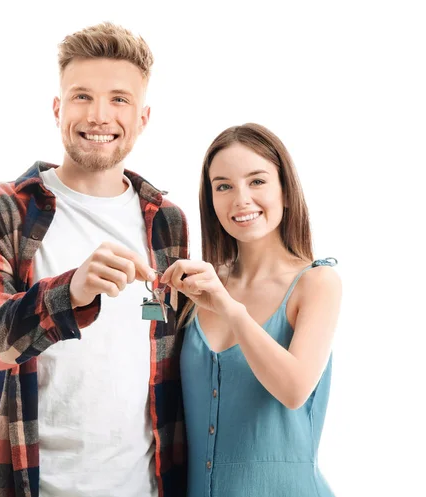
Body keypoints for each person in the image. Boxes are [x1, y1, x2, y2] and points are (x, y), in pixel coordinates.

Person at [0, 22, 188, 497]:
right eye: (82, 96)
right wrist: (70, 292)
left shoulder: (168, 222)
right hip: (24, 484)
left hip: (145, 486)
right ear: (58, 108)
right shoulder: (0, 210)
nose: (99, 115)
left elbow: (168, 353)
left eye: (119, 99)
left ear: (143, 118)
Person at [161, 123, 342, 497]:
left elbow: (294, 390)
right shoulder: (199, 287)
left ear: (286, 192)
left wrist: (231, 309)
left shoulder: (317, 283)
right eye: (223, 186)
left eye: (257, 181)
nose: (240, 199)